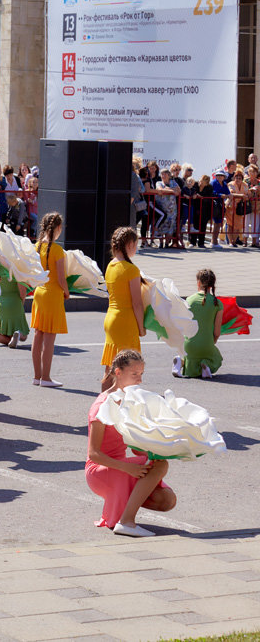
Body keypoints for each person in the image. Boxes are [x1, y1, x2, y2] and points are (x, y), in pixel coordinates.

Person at [87, 350, 176, 537]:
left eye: (141, 374)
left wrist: (159, 447)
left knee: (166, 500)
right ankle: (126, 521)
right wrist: (129, 469)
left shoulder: (129, 400)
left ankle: (124, 509)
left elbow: (135, 449)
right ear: (118, 373)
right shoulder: (102, 404)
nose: (139, 380)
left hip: (120, 468)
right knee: (161, 466)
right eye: (134, 374)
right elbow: (94, 454)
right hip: (100, 471)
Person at [101, 227, 145, 390]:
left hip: (111, 317)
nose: (136, 247)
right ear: (129, 244)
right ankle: (118, 406)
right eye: (136, 243)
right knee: (127, 368)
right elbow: (137, 303)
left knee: (111, 366)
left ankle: (102, 403)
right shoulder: (131, 269)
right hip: (125, 321)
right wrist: (141, 327)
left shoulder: (111, 265)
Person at [29, 212, 69, 386]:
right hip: (52, 294)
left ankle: (36, 376)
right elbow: (61, 279)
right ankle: (46, 377)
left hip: (39, 292)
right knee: (49, 338)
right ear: (58, 228)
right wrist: (67, 291)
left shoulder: (36, 246)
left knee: (38, 335)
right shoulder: (57, 250)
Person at [174, 269, 223, 379]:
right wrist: (212, 342)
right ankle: (206, 365)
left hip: (189, 345)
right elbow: (217, 332)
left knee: (190, 356)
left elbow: (183, 325)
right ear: (212, 285)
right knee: (216, 358)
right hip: (207, 344)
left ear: (198, 283)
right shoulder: (217, 303)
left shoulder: (189, 300)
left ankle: (181, 362)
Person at [188, 175, 215, 248]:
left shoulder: (209, 188)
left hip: (205, 209)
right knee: (195, 225)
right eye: (200, 181)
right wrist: (194, 195)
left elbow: (209, 198)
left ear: (206, 183)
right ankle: (192, 242)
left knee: (203, 225)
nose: (200, 183)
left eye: (202, 182)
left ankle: (201, 243)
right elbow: (190, 192)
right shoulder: (195, 185)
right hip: (195, 207)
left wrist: (201, 197)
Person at [210, 170, 230, 248]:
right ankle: (214, 241)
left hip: (221, 205)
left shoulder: (224, 184)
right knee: (216, 223)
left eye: (221, 175)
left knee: (218, 223)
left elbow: (228, 192)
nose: (220, 177)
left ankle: (214, 241)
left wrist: (230, 195)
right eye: (218, 175)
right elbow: (212, 192)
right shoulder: (213, 183)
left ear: (224, 177)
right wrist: (220, 195)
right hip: (214, 205)